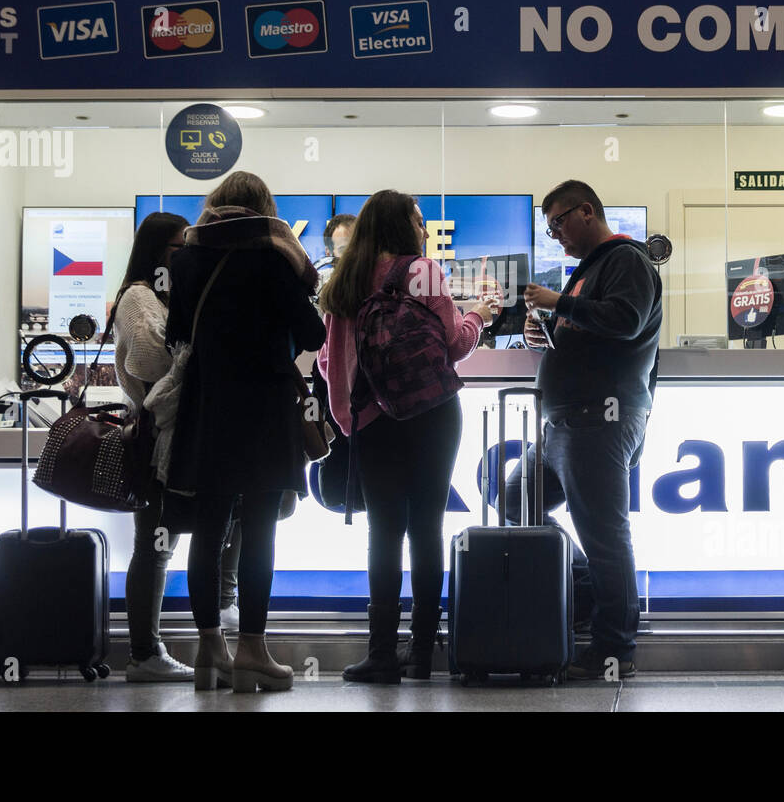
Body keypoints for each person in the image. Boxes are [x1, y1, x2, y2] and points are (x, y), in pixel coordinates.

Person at [318, 191, 499, 683]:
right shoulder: (423, 271)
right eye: (419, 220)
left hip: (373, 423)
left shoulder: (344, 279)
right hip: (432, 416)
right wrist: (478, 315)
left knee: (384, 533)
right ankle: (421, 654)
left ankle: (380, 654)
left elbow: (328, 361)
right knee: (425, 530)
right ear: (404, 226)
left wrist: (350, 417)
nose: (424, 229)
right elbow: (454, 344)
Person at [164, 171, 326, 692]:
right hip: (263, 408)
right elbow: (313, 333)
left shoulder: (187, 257)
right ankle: (253, 650)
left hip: (207, 405)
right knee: (260, 529)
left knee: (207, 528)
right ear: (265, 210)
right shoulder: (272, 257)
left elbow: (176, 334)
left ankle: (210, 649)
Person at [518, 180, 662, 680]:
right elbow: (586, 335)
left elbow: (624, 320)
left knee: (604, 534)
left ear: (586, 210)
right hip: (565, 420)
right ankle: (582, 591)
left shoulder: (627, 260)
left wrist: (560, 304)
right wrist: (544, 335)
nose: (555, 233)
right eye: (549, 226)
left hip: (599, 418)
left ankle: (614, 649)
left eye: (559, 221)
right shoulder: (587, 272)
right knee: (514, 494)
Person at [115, 212, 246, 681]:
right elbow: (149, 359)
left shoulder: (170, 296)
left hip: (181, 436)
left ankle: (172, 645)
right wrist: (192, 353)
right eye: (177, 247)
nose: (186, 255)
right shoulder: (137, 297)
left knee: (188, 537)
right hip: (155, 440)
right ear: (156, 252)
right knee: (155, 545)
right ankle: (143, 653)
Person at [315, 213, 356, 290]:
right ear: (328, 253)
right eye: (343, 250)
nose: (353, 255)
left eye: (358, 248)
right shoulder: (316, 284)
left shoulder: (380, 282)